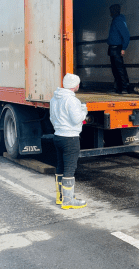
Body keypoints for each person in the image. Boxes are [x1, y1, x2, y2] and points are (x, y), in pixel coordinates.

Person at [50, 73, 88, 209]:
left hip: (58, 136)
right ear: (75, 86)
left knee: (60, 167)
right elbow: (77, 119)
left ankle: (61, 197)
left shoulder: (54, 98)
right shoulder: (72, 101)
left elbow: (52, 118)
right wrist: (84, 110)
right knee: (70, 169)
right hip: (70, 138)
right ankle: (68, 201)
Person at [106, 4, 131, 94]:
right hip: (113, 48)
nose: (110, 13)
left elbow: (126, 35)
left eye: (111, 11)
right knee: (115, 69)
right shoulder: (115, 20)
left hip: (117, 48)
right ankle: (118, 87)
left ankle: (124, 88)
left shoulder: (119, 20)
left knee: (119, 68)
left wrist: (123, 48)